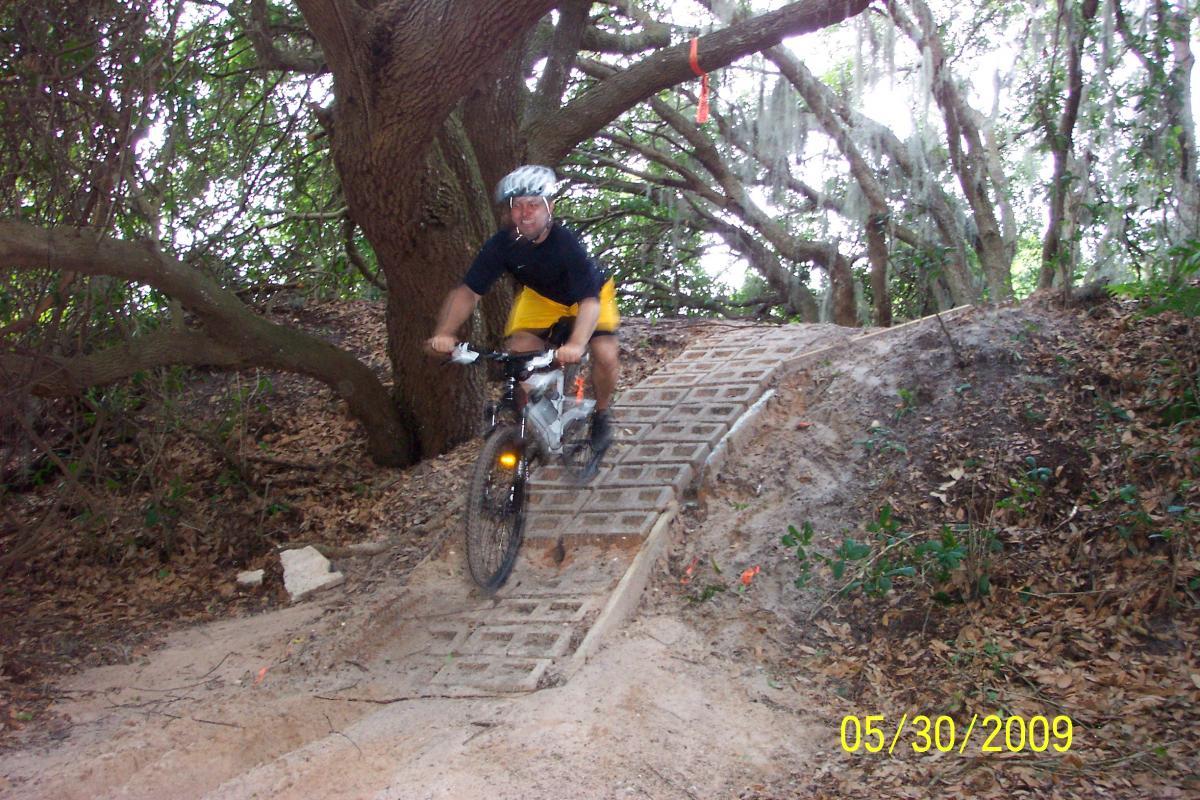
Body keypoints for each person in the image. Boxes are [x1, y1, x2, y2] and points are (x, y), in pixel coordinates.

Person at [426, 165, 620, 450]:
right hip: (541, 298)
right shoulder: (502, 244)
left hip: (589, 297)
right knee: (519, 359)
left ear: (550, 207)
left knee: (605, 354)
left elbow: (589, 302)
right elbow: (468, 292)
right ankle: (529, 430)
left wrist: (578, 344)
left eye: (533, 205)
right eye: (518, 206)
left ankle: (602, 415)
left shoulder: (565, 243)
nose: (525, 213)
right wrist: (445, 332)